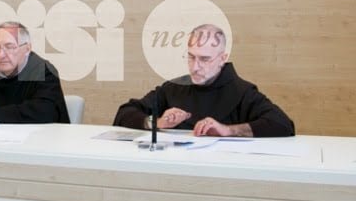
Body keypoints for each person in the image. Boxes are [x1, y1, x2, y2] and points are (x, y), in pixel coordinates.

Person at [113, 23, 294, 137]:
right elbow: (124, 113)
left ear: (222, 58)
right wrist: (156, 122)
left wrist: (228, 130)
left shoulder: (242, 92)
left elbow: (283, 124)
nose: (195, 67)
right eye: (191, 57)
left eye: (205, 59)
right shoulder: (174, 88)